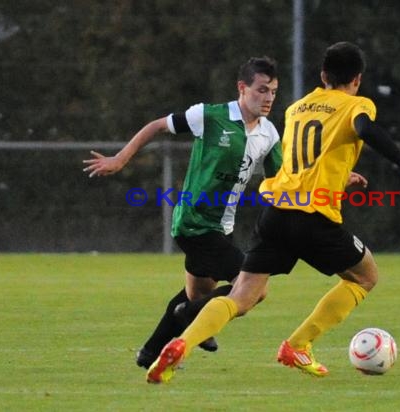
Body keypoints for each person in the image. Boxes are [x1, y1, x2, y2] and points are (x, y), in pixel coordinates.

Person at [145, 41, 400, 384]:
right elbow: (365, 129)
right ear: (357, 79)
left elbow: (299, 163)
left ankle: (181, 344)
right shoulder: (356, 104)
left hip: (275, 212)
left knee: (241, 295)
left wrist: (337, 178)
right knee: (365, 277)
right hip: (313, 216)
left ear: (323, 76)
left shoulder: (297, 109)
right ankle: (298, 344)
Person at [82, 56, 282, 368]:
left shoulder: (269, 133)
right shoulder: (210, 116)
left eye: (273, 91)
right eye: (262, 90)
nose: (268, 98)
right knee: (256, 288)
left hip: (222, 227)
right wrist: (120, 159)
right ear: (242, 88)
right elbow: (157, 126)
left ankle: (151, 351)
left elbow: (280, 180)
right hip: (194, 223)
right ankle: (195, 318)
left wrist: (331, 182)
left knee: (197, 291)